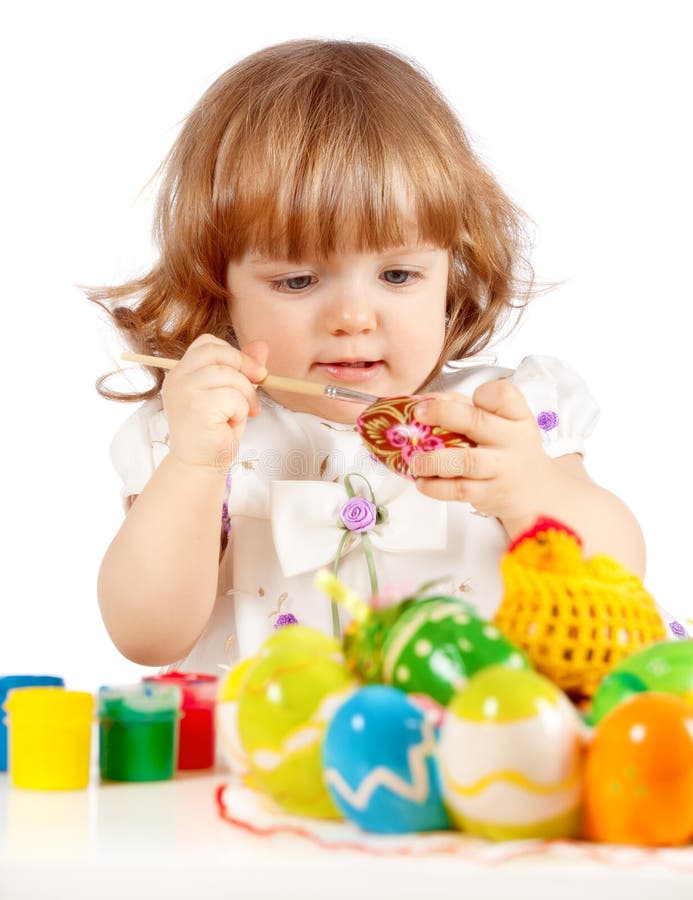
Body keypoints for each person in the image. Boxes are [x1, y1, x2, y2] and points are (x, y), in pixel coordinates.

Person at [92, 38, 653, 675]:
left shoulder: (496, 420)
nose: (355, 318)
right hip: (261, 767)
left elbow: (618, 579)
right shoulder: (198, 434)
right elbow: (146, 635)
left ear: (450, 270)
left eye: (397, 275)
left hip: (471, 766)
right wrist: (195, 466)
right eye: (298, 281)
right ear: (218, 286)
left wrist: (530, 490)